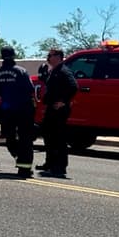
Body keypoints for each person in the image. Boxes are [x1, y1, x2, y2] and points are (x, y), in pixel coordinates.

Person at [0, 47, 37, 178]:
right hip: (24, 110)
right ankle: (24, 168)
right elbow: (30, 89)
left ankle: (18, 155)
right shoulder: (21, 71)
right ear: (13, 55)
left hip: (6, 111)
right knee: (25, 139)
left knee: (9, 137)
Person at [38, 48, 78, 178]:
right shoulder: (53, 71)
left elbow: (73, 87)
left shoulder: (64, 71)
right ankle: (49, 163)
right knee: (48, 136)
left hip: (59, 110)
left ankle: (60, 167)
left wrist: (63, 101)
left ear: (59, 57)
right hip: (51, 108)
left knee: (58, 138)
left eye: (51, 55)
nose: (48, 57)